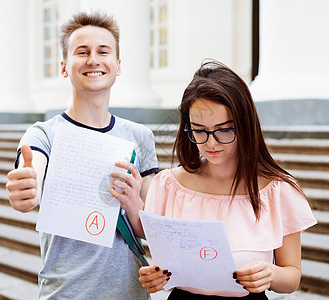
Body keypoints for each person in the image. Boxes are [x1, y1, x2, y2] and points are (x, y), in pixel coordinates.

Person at [115, 60, 317, 299]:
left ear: (244, 125)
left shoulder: (277, 191)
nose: (210, 143)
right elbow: (156, 246)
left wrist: (271, 274)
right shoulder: (169, 184)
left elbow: (292, 277)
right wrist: (153, 277)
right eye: (199, 130)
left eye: (223, 129)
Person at [5, 11, 158, 299]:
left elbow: (153, 225)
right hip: (66, 291)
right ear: (64, 66)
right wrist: (26, 188)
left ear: (117, 65)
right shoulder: (43, 134)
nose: (93, 60)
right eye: (82, 52)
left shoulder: (140, 137)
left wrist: (135, 200)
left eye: (103, 51)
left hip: (131, 293)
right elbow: (31, 173)